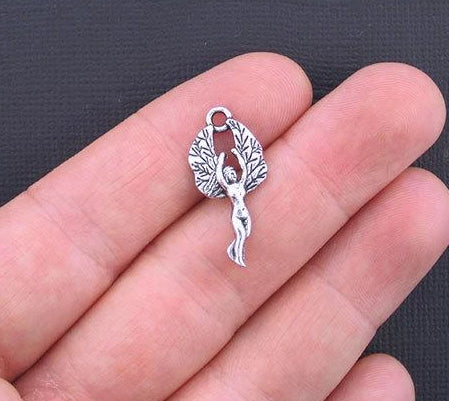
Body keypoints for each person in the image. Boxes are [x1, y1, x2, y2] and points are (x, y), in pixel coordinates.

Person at [0, 53, 447, 401]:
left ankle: (237, 251)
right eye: (229, 168)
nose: (232, 170)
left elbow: (241, 163)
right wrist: (221, 145)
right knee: (241, 229)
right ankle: (237, 251)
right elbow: (218, 168)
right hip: (235, 205)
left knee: (244, 230)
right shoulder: (226, 181)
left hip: (239, 197)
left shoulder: (238, 176)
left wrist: (232, 135)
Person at [216, 148, 252, 267]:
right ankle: (239, 258)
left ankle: (231, 250)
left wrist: (237, 154)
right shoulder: (228, 188)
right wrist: (221, 160)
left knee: (247, 234)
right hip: (237, 214)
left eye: (233, 173)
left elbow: (245, 170)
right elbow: (219, 175)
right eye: (230, 174)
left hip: (245, 213)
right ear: (227, 177)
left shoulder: (241, 185)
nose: (232, 175)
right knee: (241, 236)